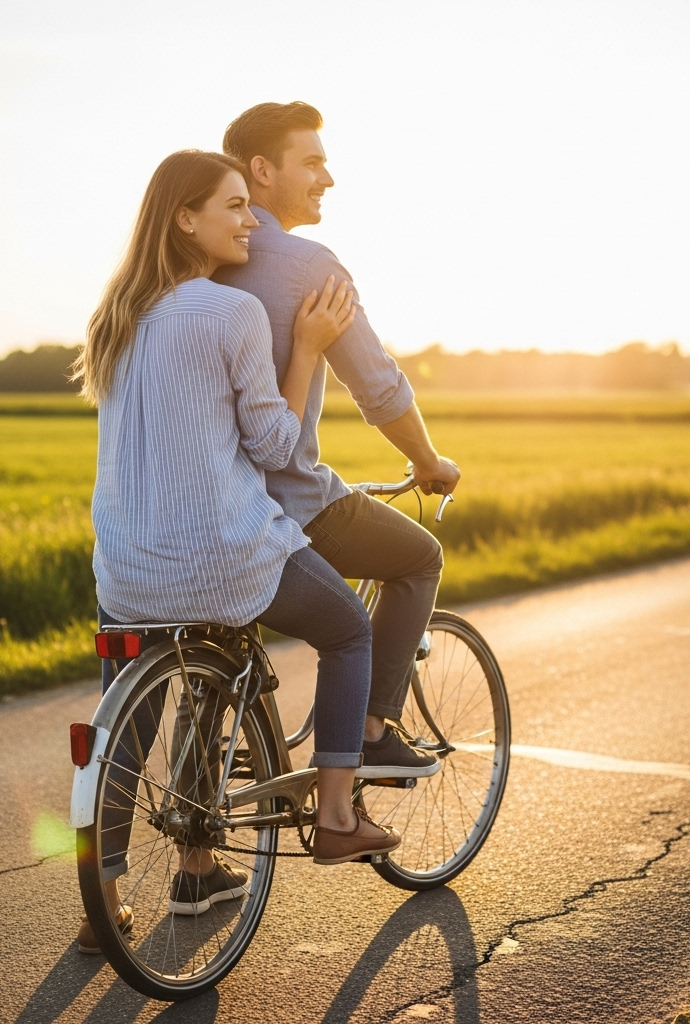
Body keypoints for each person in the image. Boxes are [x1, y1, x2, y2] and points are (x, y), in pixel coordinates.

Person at [71, 150, 414, 954]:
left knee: (130, 717)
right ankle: (335, 816)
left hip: (126, 569)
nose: (249, 219)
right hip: (222, 556)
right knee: (349, 631)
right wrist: (309, 346)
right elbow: (272, 443)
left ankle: (105, 903)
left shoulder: (115, 318)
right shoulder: (230, 314)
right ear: (185, 219)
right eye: (232, 206)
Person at [215, 103, 461, 773]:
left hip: (204, 505)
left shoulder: (195, 262)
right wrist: (426, 460)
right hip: (291, 503)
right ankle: (374, 729)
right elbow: (377, 386)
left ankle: (199, 861)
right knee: (416, 559)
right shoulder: (306, 266)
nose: (328, 177)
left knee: (211, 657)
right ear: (261, 170)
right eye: (313, 162)